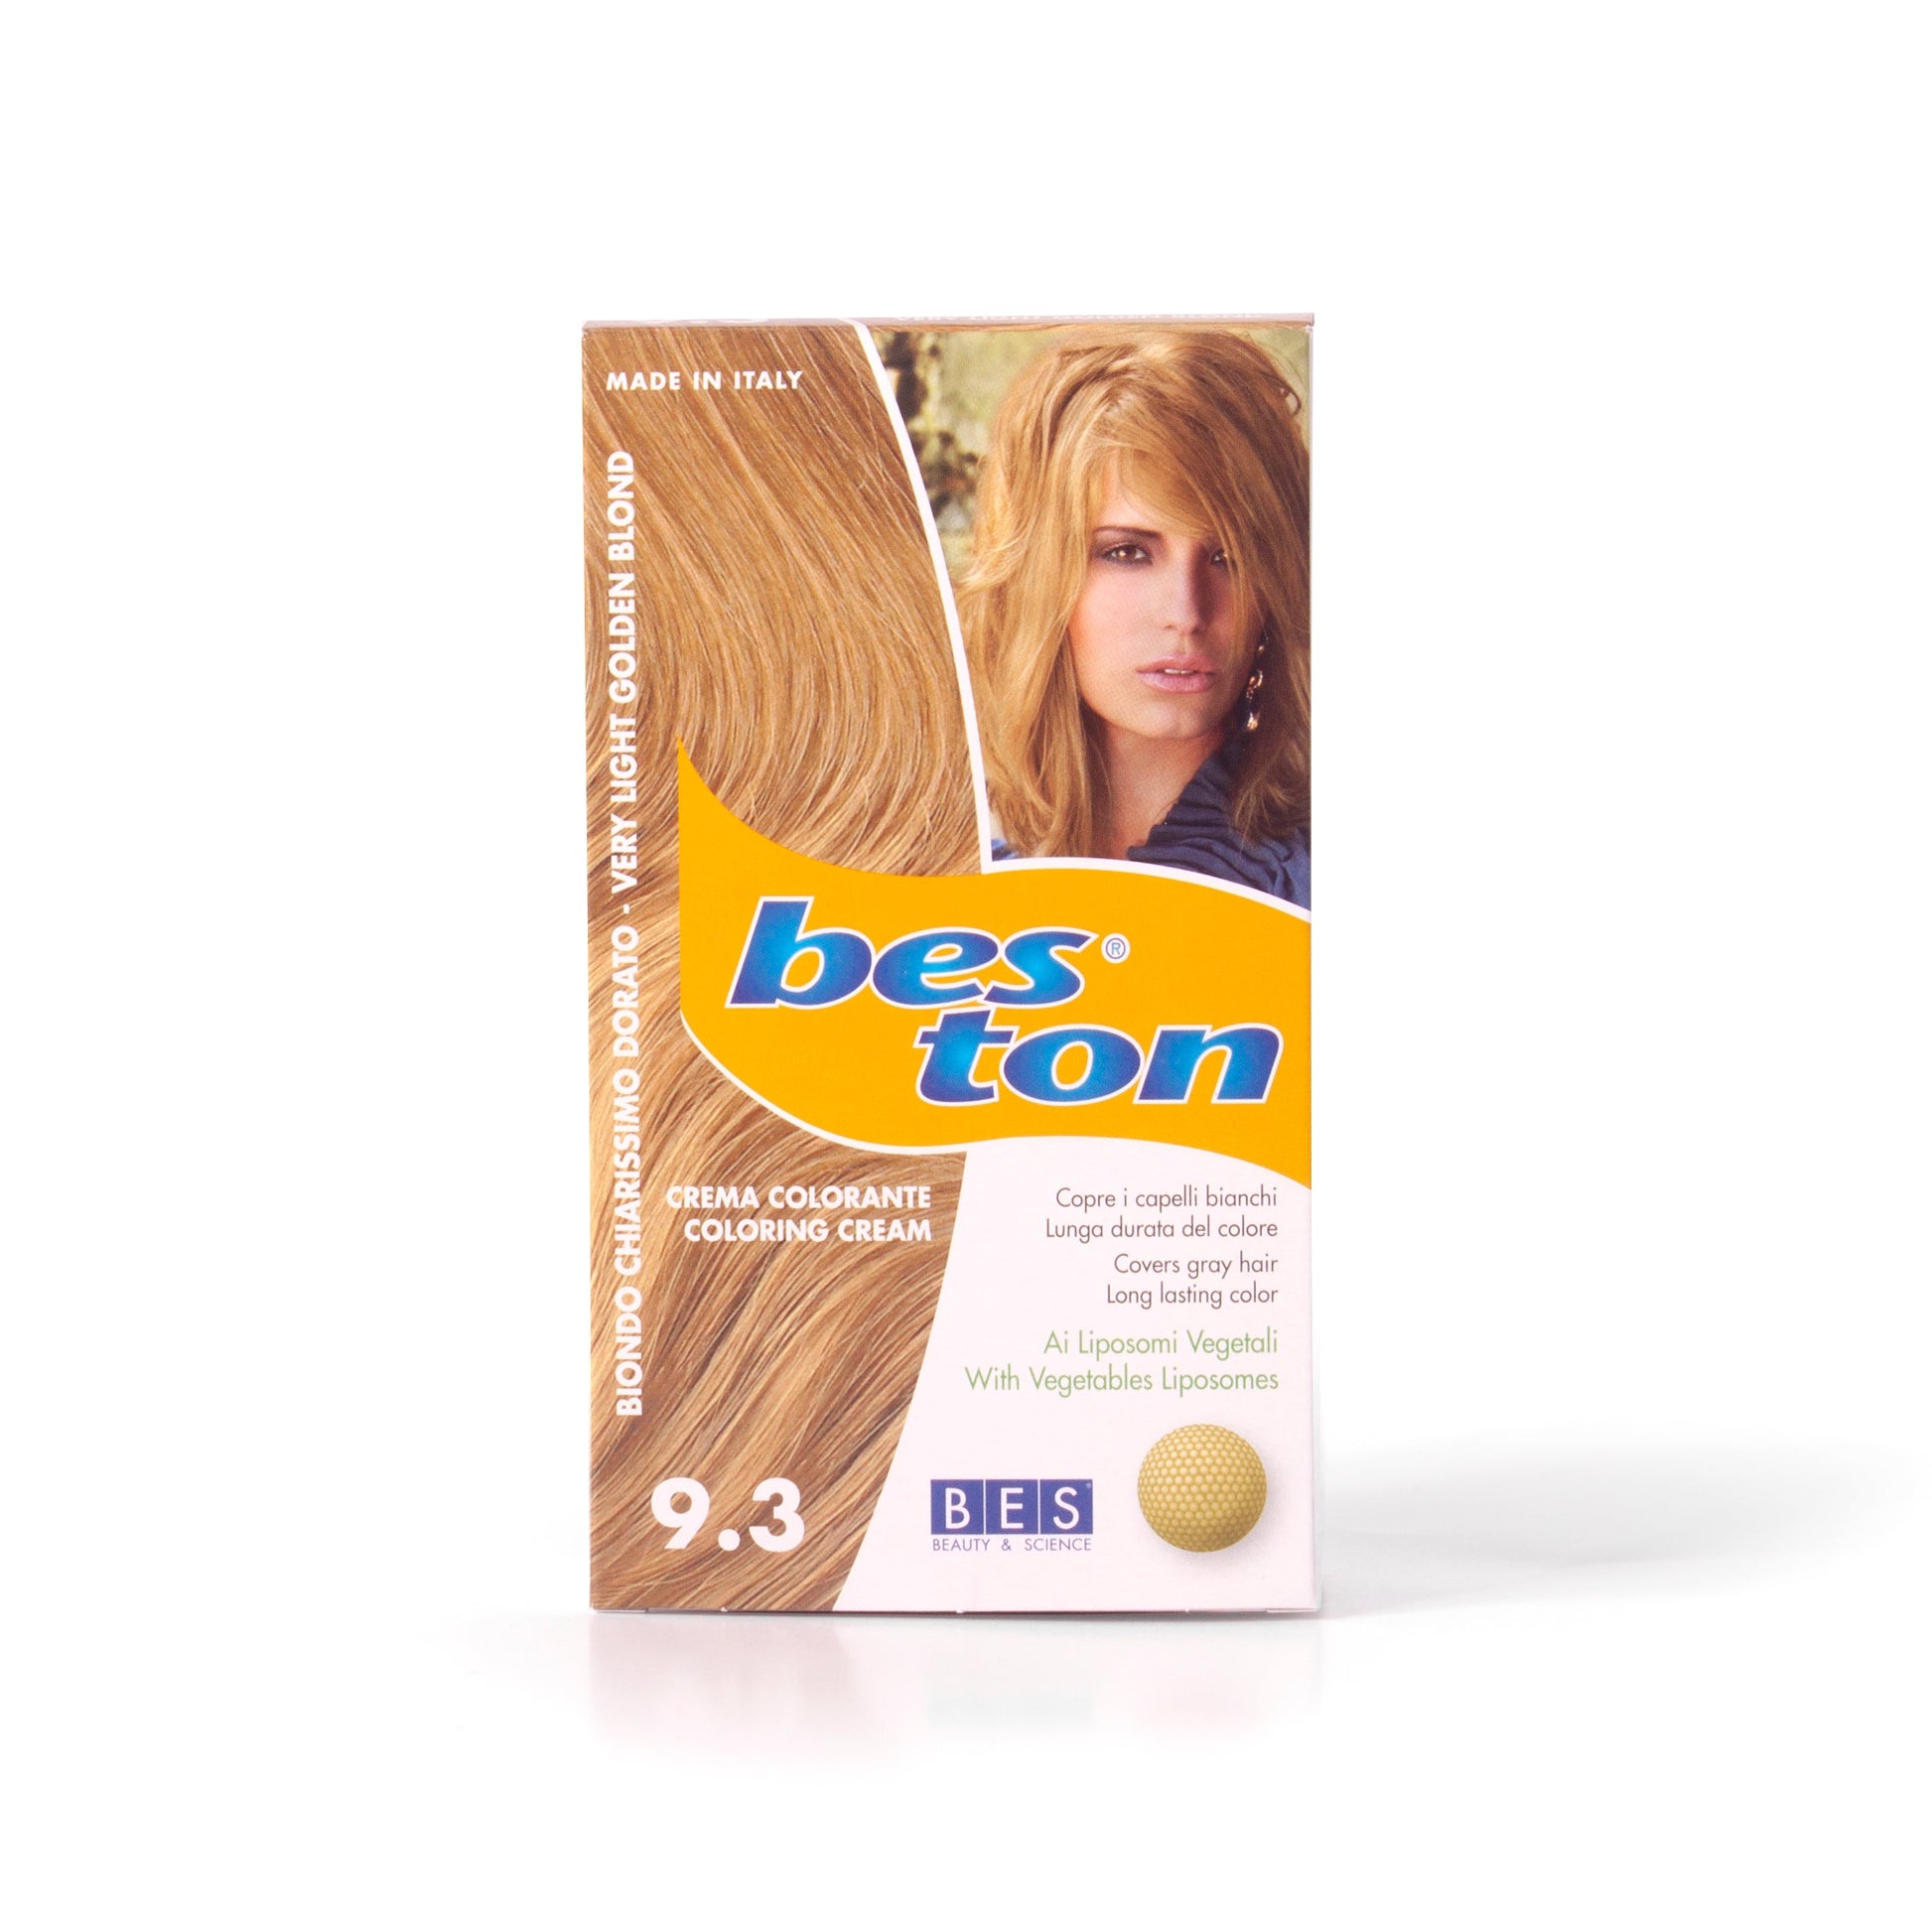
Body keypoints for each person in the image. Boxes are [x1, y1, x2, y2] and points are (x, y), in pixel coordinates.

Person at [958, 329, 1311, 905]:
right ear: (1036, 578)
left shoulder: (1305, 887)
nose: (1186, 613)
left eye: (1230, 558)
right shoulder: (953, 887)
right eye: (1127, 553)